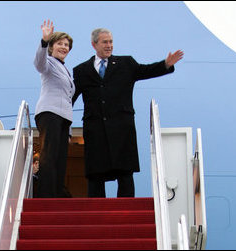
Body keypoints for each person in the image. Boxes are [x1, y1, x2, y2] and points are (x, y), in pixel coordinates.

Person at [72, 28, 183, 198]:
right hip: (95, 130)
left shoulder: (126, 64)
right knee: (95, 175)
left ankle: (126, 215)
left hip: (121, 129)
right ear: (94, 44)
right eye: (105, 42)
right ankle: (96, 218)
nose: (109, 46)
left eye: (111, 42)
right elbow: (70, 98)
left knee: (125, 173)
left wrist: (166, 64)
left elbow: (146, 71)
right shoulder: (81, 70)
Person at [34, 20, 75, 198]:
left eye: (67, 45)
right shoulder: (48, 62)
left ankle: (57, 191)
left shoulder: (66, 70)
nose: (64, 47)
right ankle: (47, 194)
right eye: (60, 43)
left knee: (60, 157)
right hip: (50, 113)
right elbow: (38, 63)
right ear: (52, 46)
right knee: (49, 154)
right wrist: (44, 41)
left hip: (64, 117)